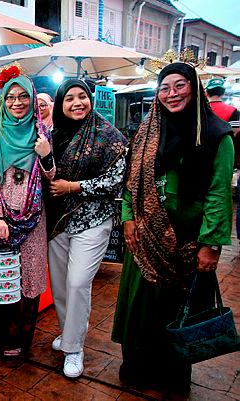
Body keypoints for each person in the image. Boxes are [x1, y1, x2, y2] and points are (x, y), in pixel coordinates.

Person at [112, 63, 234, 391]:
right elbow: (131, 182)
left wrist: (211, 244)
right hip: (143, 238)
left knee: (175, 309)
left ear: (194, 89)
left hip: (187, 242)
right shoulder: (148, 131)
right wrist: (128, 217)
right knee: (139, 307)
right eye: (165, 88)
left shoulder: (216, 135)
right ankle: (137, 369)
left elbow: (219, 193)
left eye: (179, 86)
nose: (171, 94)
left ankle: (172, 375)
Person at [45, 79, 127, 378]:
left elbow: (117, 180)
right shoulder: (53, 135)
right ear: (60, 104)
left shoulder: (109, 135)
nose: (77, 103)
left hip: (93, 219)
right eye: (69, 99)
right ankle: (70, 334)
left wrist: (74, 187)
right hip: (58, 221)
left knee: (79, 283)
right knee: (61, 285)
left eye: (82, 97)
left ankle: (74, 348)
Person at [0, 66, 55, 356]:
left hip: (32, 215)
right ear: (3, 100)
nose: (17, 103)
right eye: (11, 97)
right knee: (0, 275)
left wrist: (46, 155)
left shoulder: (41, 130)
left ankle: (21, 338)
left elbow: (51, 176)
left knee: (29, 276)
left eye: (23, 96)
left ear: (32, 99)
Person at [205, 78, 240, 243]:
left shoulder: (201, 110)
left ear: (206, 93)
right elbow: (235, 133)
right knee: (219, 192)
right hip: (223, 159)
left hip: (198, 159)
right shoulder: (232, 111)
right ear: (223, 93)